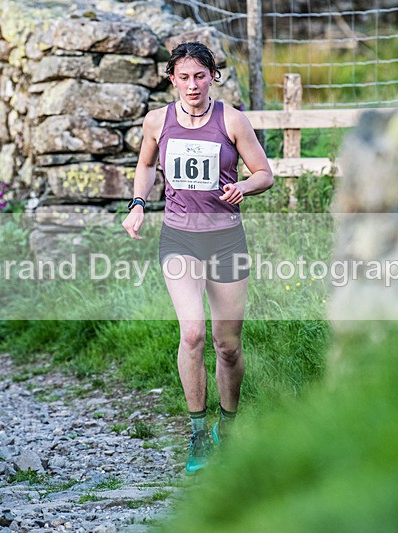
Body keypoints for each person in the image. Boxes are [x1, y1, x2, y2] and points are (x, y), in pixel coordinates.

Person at [121, 42, 274, 473]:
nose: (192, 85)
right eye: (184, 77)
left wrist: (243, 187)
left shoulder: (231, 119)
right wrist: (137, 203)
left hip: (226, 241)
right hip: (179, 240)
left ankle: (228, 427)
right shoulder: (157, 121)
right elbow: (147, 166)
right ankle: (197, 433)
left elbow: (265, 173)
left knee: (227, 346)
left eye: (200, 76)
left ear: (212, 78)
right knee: (192, 335)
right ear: (172, 78)